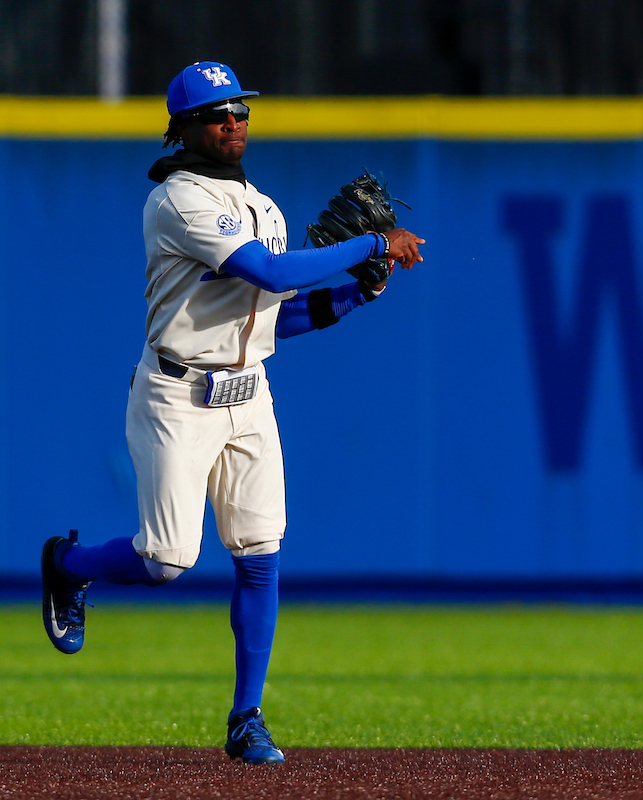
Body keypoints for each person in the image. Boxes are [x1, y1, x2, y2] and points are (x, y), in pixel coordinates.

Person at [38, 61, 425, 764]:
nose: (234, 122)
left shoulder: (267, 209)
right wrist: (371, 244)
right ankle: (68, 565)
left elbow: (276, 320)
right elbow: (273, 273)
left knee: (260, 553)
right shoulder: (178, 203)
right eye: (218, 113)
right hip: (176, 397)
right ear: (184, 127)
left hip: (249, 394)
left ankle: (247, 718)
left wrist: (357, 296)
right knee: (166, 559)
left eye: (240, 110)